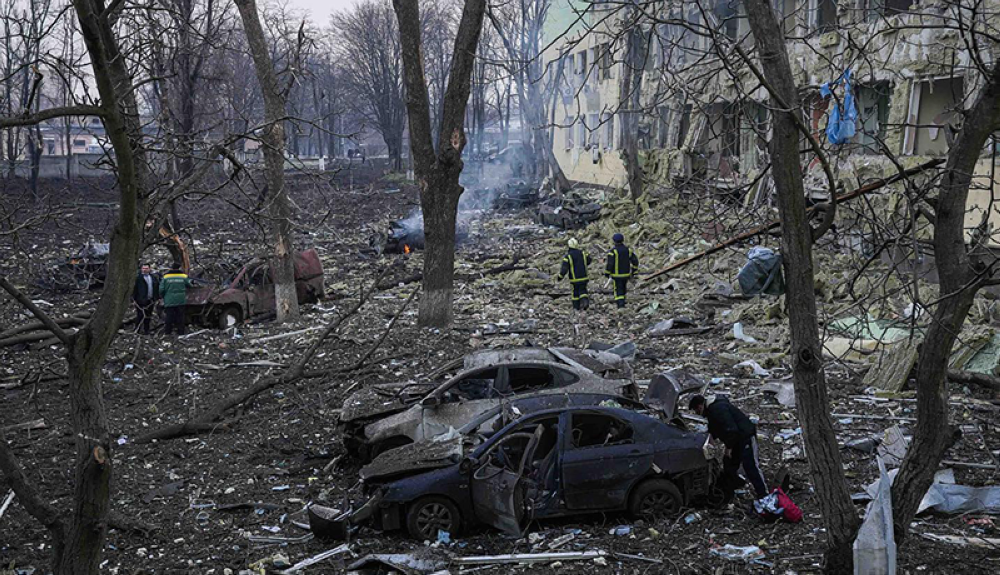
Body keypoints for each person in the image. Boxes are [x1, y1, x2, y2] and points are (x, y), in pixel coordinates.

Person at [689, 394, 768, 503]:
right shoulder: (712, 409)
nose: (697, 413)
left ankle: (763, 494)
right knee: (729, 464)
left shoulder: (718, 410)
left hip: (745, 436)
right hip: (736, 438)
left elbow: (731, 430)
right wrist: (711, 438)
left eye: (696, 410)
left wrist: (728, 448)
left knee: (750, 466)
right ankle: (733, 486)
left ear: (700, 406)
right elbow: (715, 426)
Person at [604, 233, 639, 308]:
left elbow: (610, 264)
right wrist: (634, 271)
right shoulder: (628, 250)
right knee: (623, 288)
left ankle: (621, 306)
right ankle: (623, 303)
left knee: (618, 291)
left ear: (614, 241)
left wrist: (607, 273)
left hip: (616, 276)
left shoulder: (613, 252)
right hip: (626, 275)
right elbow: (635, 260)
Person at [557, 238, 591, 311]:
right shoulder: (583, 253)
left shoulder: (568, 256)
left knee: (575, 293)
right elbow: (589, 260)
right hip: (584, 277)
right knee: (583, 290)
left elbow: (564, 269)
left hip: (574, 279)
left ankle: (576, 308)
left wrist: (560, 277)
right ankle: (585, 301)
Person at [160, 267, 193, 336]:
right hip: (180, 300)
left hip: (169, 300)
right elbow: (190, 285)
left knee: (169, 316)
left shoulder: (165, 277)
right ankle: (181, 332)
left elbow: (161, 289)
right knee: (180, 316)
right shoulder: (183, 276)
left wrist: (163, 296)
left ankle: (168, 332)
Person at [132, 264, 160, 334]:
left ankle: (146, 330)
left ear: (149, 269)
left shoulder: (153, 277)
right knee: (140, 315)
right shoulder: (138, 278)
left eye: (146, 268)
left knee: (148, 315)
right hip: (140, 300)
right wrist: (133, 299)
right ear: (141, 269)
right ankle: (137, 330)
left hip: (150, 300)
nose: (145, 270)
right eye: (143, 268)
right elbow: (134, 289)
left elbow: (156, 287)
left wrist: (157, 297)